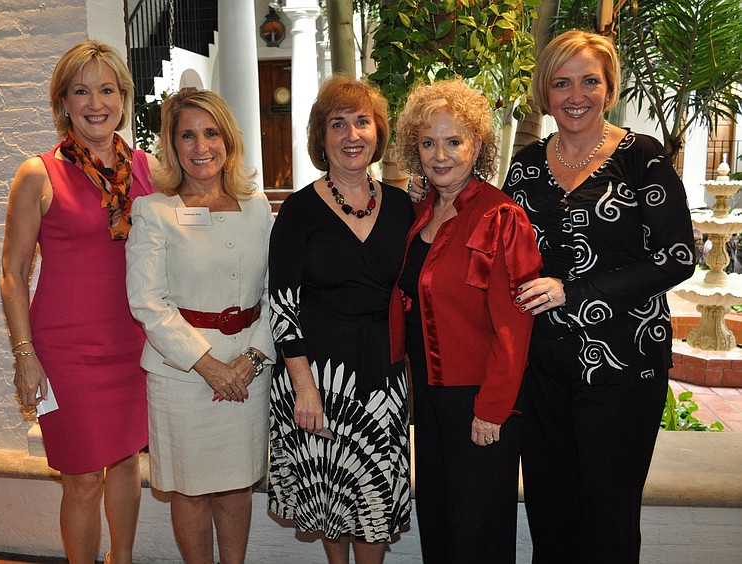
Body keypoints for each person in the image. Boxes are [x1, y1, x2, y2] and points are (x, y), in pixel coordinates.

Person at [502, 30, 696, 563]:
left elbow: (677, 255)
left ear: (609, 88)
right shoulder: (524, 165)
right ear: (545, 91)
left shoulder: (642, 158)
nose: (575, 95)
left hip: (625, 367)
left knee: (607, 518)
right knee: (549, 512)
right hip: (541, 368)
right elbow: (505, 256)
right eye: (562, 83)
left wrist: (575, 291)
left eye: (590, 81)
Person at [0, 40, 157, 564]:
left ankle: (124, 559)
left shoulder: (149, 170)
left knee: (128, 463)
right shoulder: (38, 173)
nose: (96, 102)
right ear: (62, 102)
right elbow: (13, 273)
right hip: (64, 352)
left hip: (133, 344)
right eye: (81, 91)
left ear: (124, 98)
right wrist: (25, 355)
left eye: (107, 89)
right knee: (84, 478)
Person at [391, 78, 543, 563]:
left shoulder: (502, 217)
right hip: (430, 400)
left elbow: (514, 326)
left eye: (454, 141)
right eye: (429, 142)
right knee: (437, 521)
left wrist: (493, 408)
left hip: (480, 401)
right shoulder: (419, 213)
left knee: (478, 533)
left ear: (477, 144)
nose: (441, 154)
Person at [267, 74, 412, 564]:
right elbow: (282, 304)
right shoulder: (297, 212)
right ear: (321, 138)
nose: (352, 134)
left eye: (362, 122)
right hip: (318, 375)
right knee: (331, 491)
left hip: (383, 374)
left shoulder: (403, 206)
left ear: (378, 132)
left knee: (372, 494)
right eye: (338, 124)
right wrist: (305, 387)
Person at [125, 87, 275, 564]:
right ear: (171, 146)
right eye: (187, 135)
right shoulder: (154, 211)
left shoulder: (258, 209)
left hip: (250, 369)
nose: (201, 146)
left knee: (235, 486)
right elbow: (147, 303)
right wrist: (209, 366)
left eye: (211, 133)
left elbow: (278, 293)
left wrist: (252, 358)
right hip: (183, 375)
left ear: (228, 140)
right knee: (190, 489)